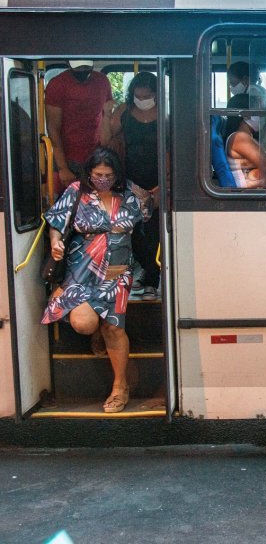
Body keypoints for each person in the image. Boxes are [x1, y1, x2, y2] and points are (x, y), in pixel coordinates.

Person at [41, 147, 152, 413]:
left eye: (108, 175)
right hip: (82, 269)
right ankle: (99, 330)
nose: (103, 179)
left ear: (117, 175)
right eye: (98, 174)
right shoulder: (77, 192)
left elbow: (151, 208)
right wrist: (56, 242)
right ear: (89, 173)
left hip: (117, 271)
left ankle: (119, 386)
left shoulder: (130, 193)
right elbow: (56, 222)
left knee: (114, 329)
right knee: (82, 323)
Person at [100, 72, 161, 300]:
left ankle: (152, 280)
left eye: (147, 96)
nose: (142, 99)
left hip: (158, 180)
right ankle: (147, 271)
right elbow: (106, 140)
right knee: (132, 230)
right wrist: (106, 114)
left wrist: (162, 185)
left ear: (155, 94)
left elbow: (172, 148)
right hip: (130, 179)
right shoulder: (125, 111)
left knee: (153, 230)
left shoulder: (165, 111)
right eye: (138, 95)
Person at [45, 60, 113, 193]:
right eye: (78, 67)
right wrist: (63, 168)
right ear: (68, 63)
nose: (82, 70)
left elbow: (105, 117)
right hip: (68, 158)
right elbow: (53, 128)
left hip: (96, 156)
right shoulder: (57, 84)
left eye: (86, 67)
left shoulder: (102, 81)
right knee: (68, 206)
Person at [225, 93, 266, 188]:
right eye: (258, 111)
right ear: (246, 115)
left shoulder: (246, 136)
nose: (261, 116)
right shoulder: (239, 138)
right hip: (245, 193)